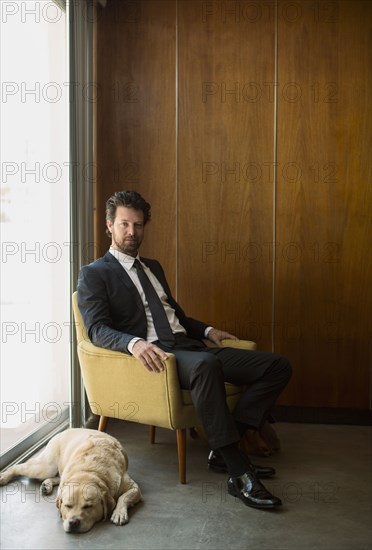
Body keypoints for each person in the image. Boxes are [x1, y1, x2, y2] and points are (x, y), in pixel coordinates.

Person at [77, 190, 292, 510]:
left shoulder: (153, 267)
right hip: (160, 357)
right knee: (206, 366)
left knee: (277, 366)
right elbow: (96, 330)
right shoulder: (95, 273)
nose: (131, 232)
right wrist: (133, 343)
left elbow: (174, 316)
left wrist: (207, 330)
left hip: (191, 346)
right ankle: (239, 473)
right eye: (124, 224)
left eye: (138, 225)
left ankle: (224, 447)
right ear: (109, 225)